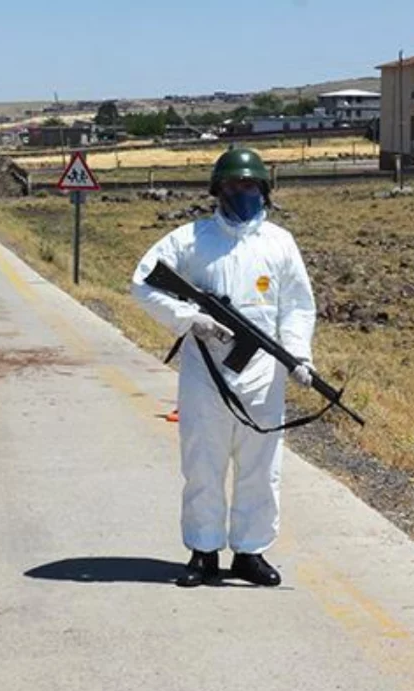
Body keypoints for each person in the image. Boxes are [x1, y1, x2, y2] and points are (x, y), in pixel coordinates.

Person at [131, 148, 317, 588]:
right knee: (203, 463)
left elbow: (297, 305)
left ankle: (251, 552)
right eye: (233, 185)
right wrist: (188, 318)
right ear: (218, 190)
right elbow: (143, 281)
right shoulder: (190, 239)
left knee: (261, 467)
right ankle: (203, 550)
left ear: (264, 190)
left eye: (250, 184)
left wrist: (299, 356)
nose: (241, 192)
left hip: (264, 373)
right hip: (205, 372)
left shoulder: (279, 243)